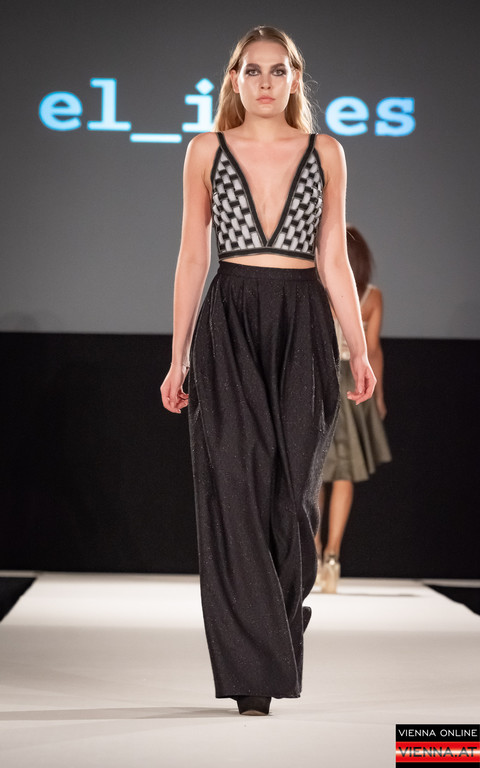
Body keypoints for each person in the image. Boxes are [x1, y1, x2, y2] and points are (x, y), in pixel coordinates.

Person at [160, 26, 375, 716]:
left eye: (277, 70)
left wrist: (358, 348)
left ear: (294, 78)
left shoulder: (326, 151)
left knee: (291, 499)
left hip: (303, 322)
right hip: (229, 321)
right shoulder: (206, 150)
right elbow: (193, 255)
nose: (263, 82)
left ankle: (279, 628)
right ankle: (253, 672)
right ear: (233, 79)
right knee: (233, 490)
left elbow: (334, 256)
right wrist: (177, 354)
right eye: (251, 70)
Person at [315, 225, 392, 593]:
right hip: (354, 383)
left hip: (321, 380)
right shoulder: (372, 297)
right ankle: (332, 556)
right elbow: (372, 349)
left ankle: (315, 554)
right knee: (344, 472)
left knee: (315, 472)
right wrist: (378, 393)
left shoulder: (321, 287)